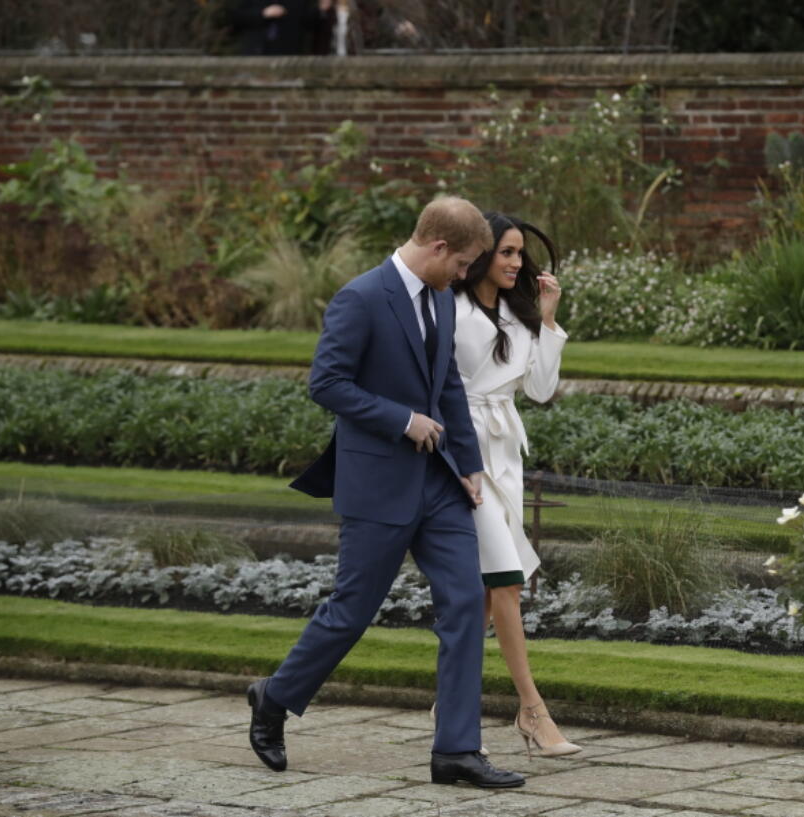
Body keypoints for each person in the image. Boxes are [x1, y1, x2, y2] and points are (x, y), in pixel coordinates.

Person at [246, 196, 525, 789]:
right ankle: (274, 698)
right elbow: (327, 383)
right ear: (439, 247)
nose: (464, 277)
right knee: (352, 612)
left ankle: (456, 751)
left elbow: (446, 381)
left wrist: (469, 464)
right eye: (463, 264)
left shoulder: (444, 299)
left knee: (463, 605)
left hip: (441, 483)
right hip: (377, 483)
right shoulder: (361, 297)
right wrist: (403, 420)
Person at [451, 212, 580, 758]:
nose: (516, 262)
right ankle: (532, 711)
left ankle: (448, 695)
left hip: (505, 455)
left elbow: (542, 389)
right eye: (506, 252)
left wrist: (547, 321)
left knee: (487, 590)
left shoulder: (519, 313)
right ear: (481, 254)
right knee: (506, 579)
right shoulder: (448, 307)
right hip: (464, 453)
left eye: (520, 254)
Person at [231, 0, 336, 55]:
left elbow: (307, 23)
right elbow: (236, 16)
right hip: (256, 51)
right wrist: (262, 14)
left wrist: (321, 10)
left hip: (288, 54)